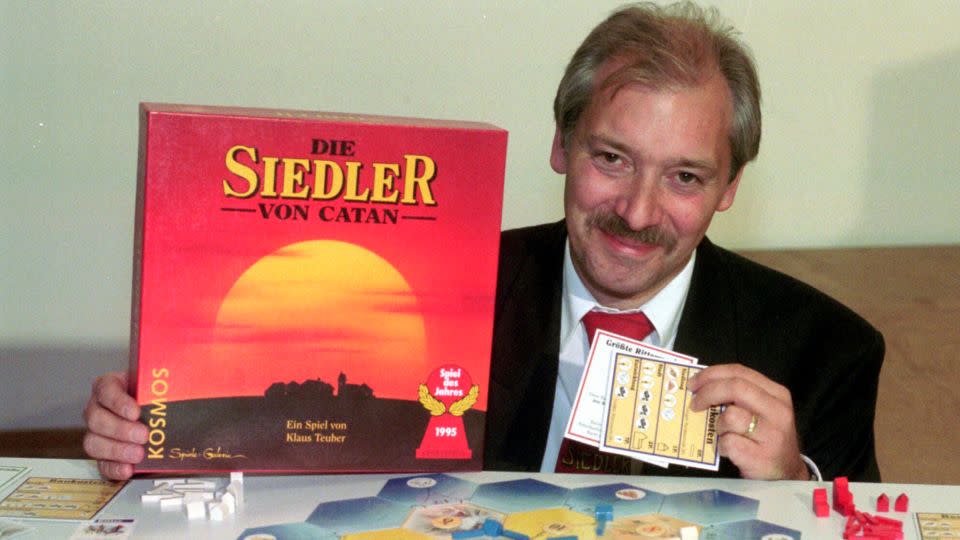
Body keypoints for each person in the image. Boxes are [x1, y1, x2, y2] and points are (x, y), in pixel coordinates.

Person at [83, 2, 883, 482]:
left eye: (684, 178)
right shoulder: (439, 293)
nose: (638, 213)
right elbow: (294, 445)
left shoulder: (825, 352)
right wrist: (158, 439)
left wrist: (792, 488)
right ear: (562, 147)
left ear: (730, 188)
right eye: (612, 159)